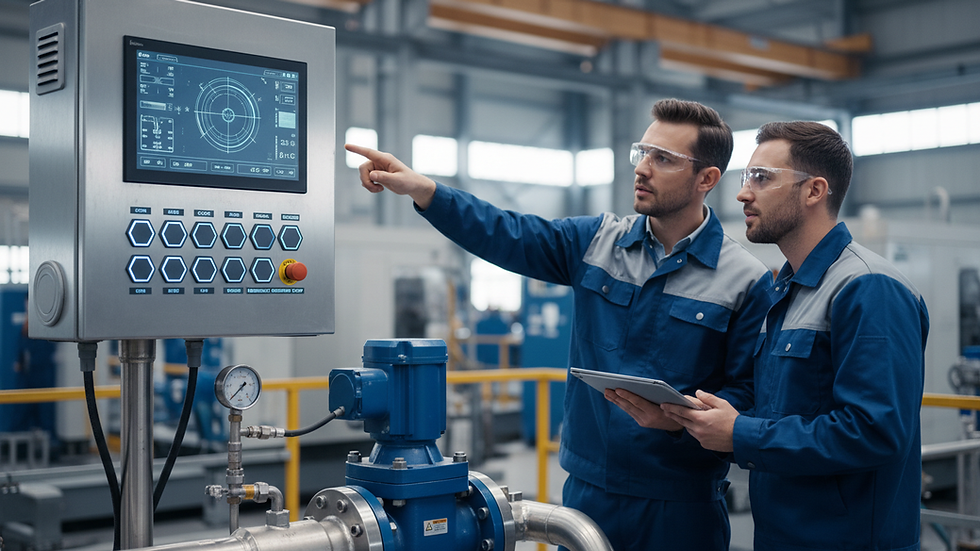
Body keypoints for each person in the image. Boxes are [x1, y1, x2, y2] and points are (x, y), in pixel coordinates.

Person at [346, 98, 772, 551]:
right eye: (641, 153)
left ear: (707, 178)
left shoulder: (743, 280)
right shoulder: (595, 242)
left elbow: (745, 395)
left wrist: (676, 423)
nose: (642, 168)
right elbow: (506, 232)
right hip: (587, 492)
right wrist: (426, 191)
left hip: (680, 505)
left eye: (663, 158)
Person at [661, 121, 928, 551]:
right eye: (746, 178)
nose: (743, 193)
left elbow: (875, 431)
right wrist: (692, 417)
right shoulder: (788, 288)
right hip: (783, 535)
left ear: (814, 191)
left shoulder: (868, 288)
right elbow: (783, 407)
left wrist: (741, 434)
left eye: (761, 178)